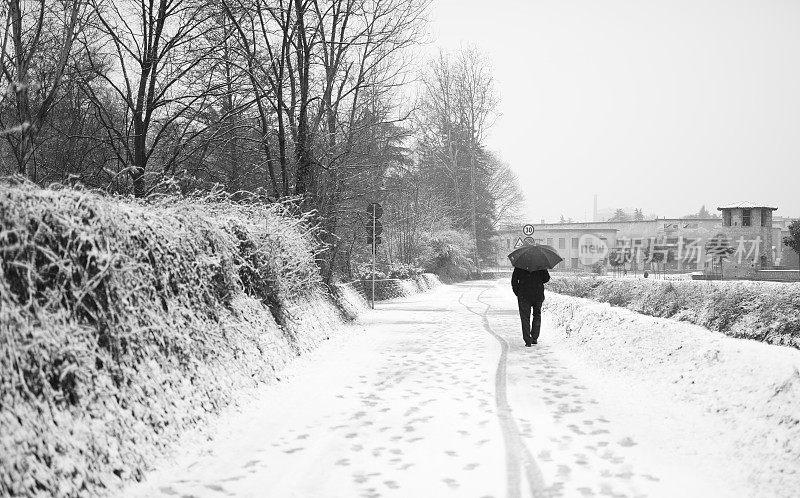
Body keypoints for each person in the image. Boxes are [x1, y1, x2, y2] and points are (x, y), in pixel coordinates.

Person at [511, 267, 551, 347]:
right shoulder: (540, 264)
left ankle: (527, 340)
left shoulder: (520, 265)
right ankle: (534, 337)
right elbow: (546, 278)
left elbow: (514, 281)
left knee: (525, 317)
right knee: (537, 315)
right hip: (537, 294)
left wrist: (518, 292)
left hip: (524, 295)